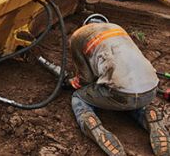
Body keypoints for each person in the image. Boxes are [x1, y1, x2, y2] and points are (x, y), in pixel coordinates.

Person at [69, 14, 169, 156]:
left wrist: (74, 81)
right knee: (132, 101)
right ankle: (147, 116)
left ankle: (92, 125)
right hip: (150, 89)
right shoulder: (117, 29)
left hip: (120, 94)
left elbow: (86, 80)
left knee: (79, 97)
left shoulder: (78, 36)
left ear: (85, 25)